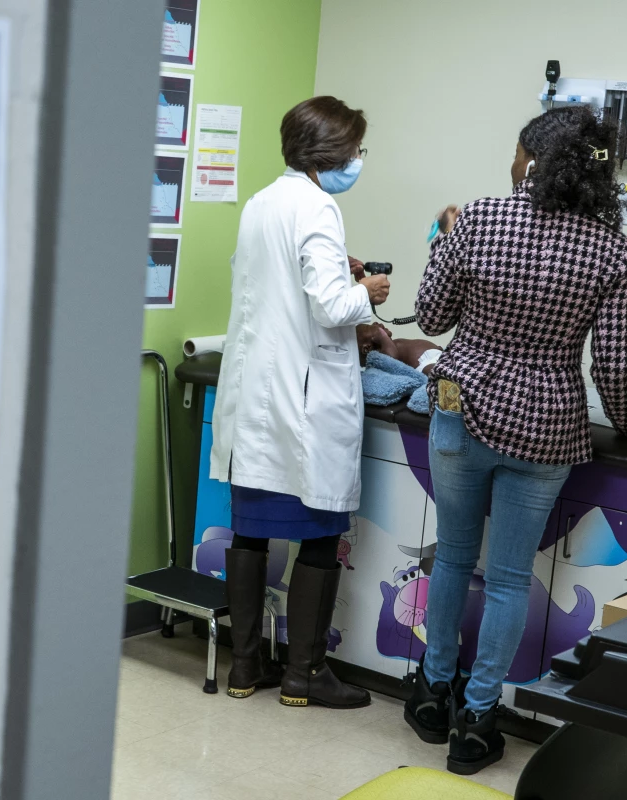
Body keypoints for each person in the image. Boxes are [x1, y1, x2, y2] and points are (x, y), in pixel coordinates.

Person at [405, 105, 627, 775]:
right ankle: (477, 723)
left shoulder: (479, 218)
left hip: (460, 403)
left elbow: (431, 314)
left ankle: (431, 696)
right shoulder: (609, 248)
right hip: (546, 423)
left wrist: (445, 240)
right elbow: (616, 365)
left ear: (534, 160)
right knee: (510, 578)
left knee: (453, 558)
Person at [211, 96, 391, 708]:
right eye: (356, 151)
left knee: (251, 533)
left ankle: (244, 667)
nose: (358, 161)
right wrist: (364, 290)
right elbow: (330, 306)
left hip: (255, 395)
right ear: (333, 153)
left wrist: (338, 274)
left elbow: (266, 280)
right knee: (318, 533)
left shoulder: (263, 202)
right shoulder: (319, 206)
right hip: (304, 401)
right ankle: (305, 675)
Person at [357, 322, 443, 374]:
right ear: (367, 348)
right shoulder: (381, 355)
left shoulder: (389, 344)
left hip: (440, 356)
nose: (374, 324)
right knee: (433, 372)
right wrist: (382, 336)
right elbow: (392, 361)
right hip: (426, 365)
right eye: (370, 327)